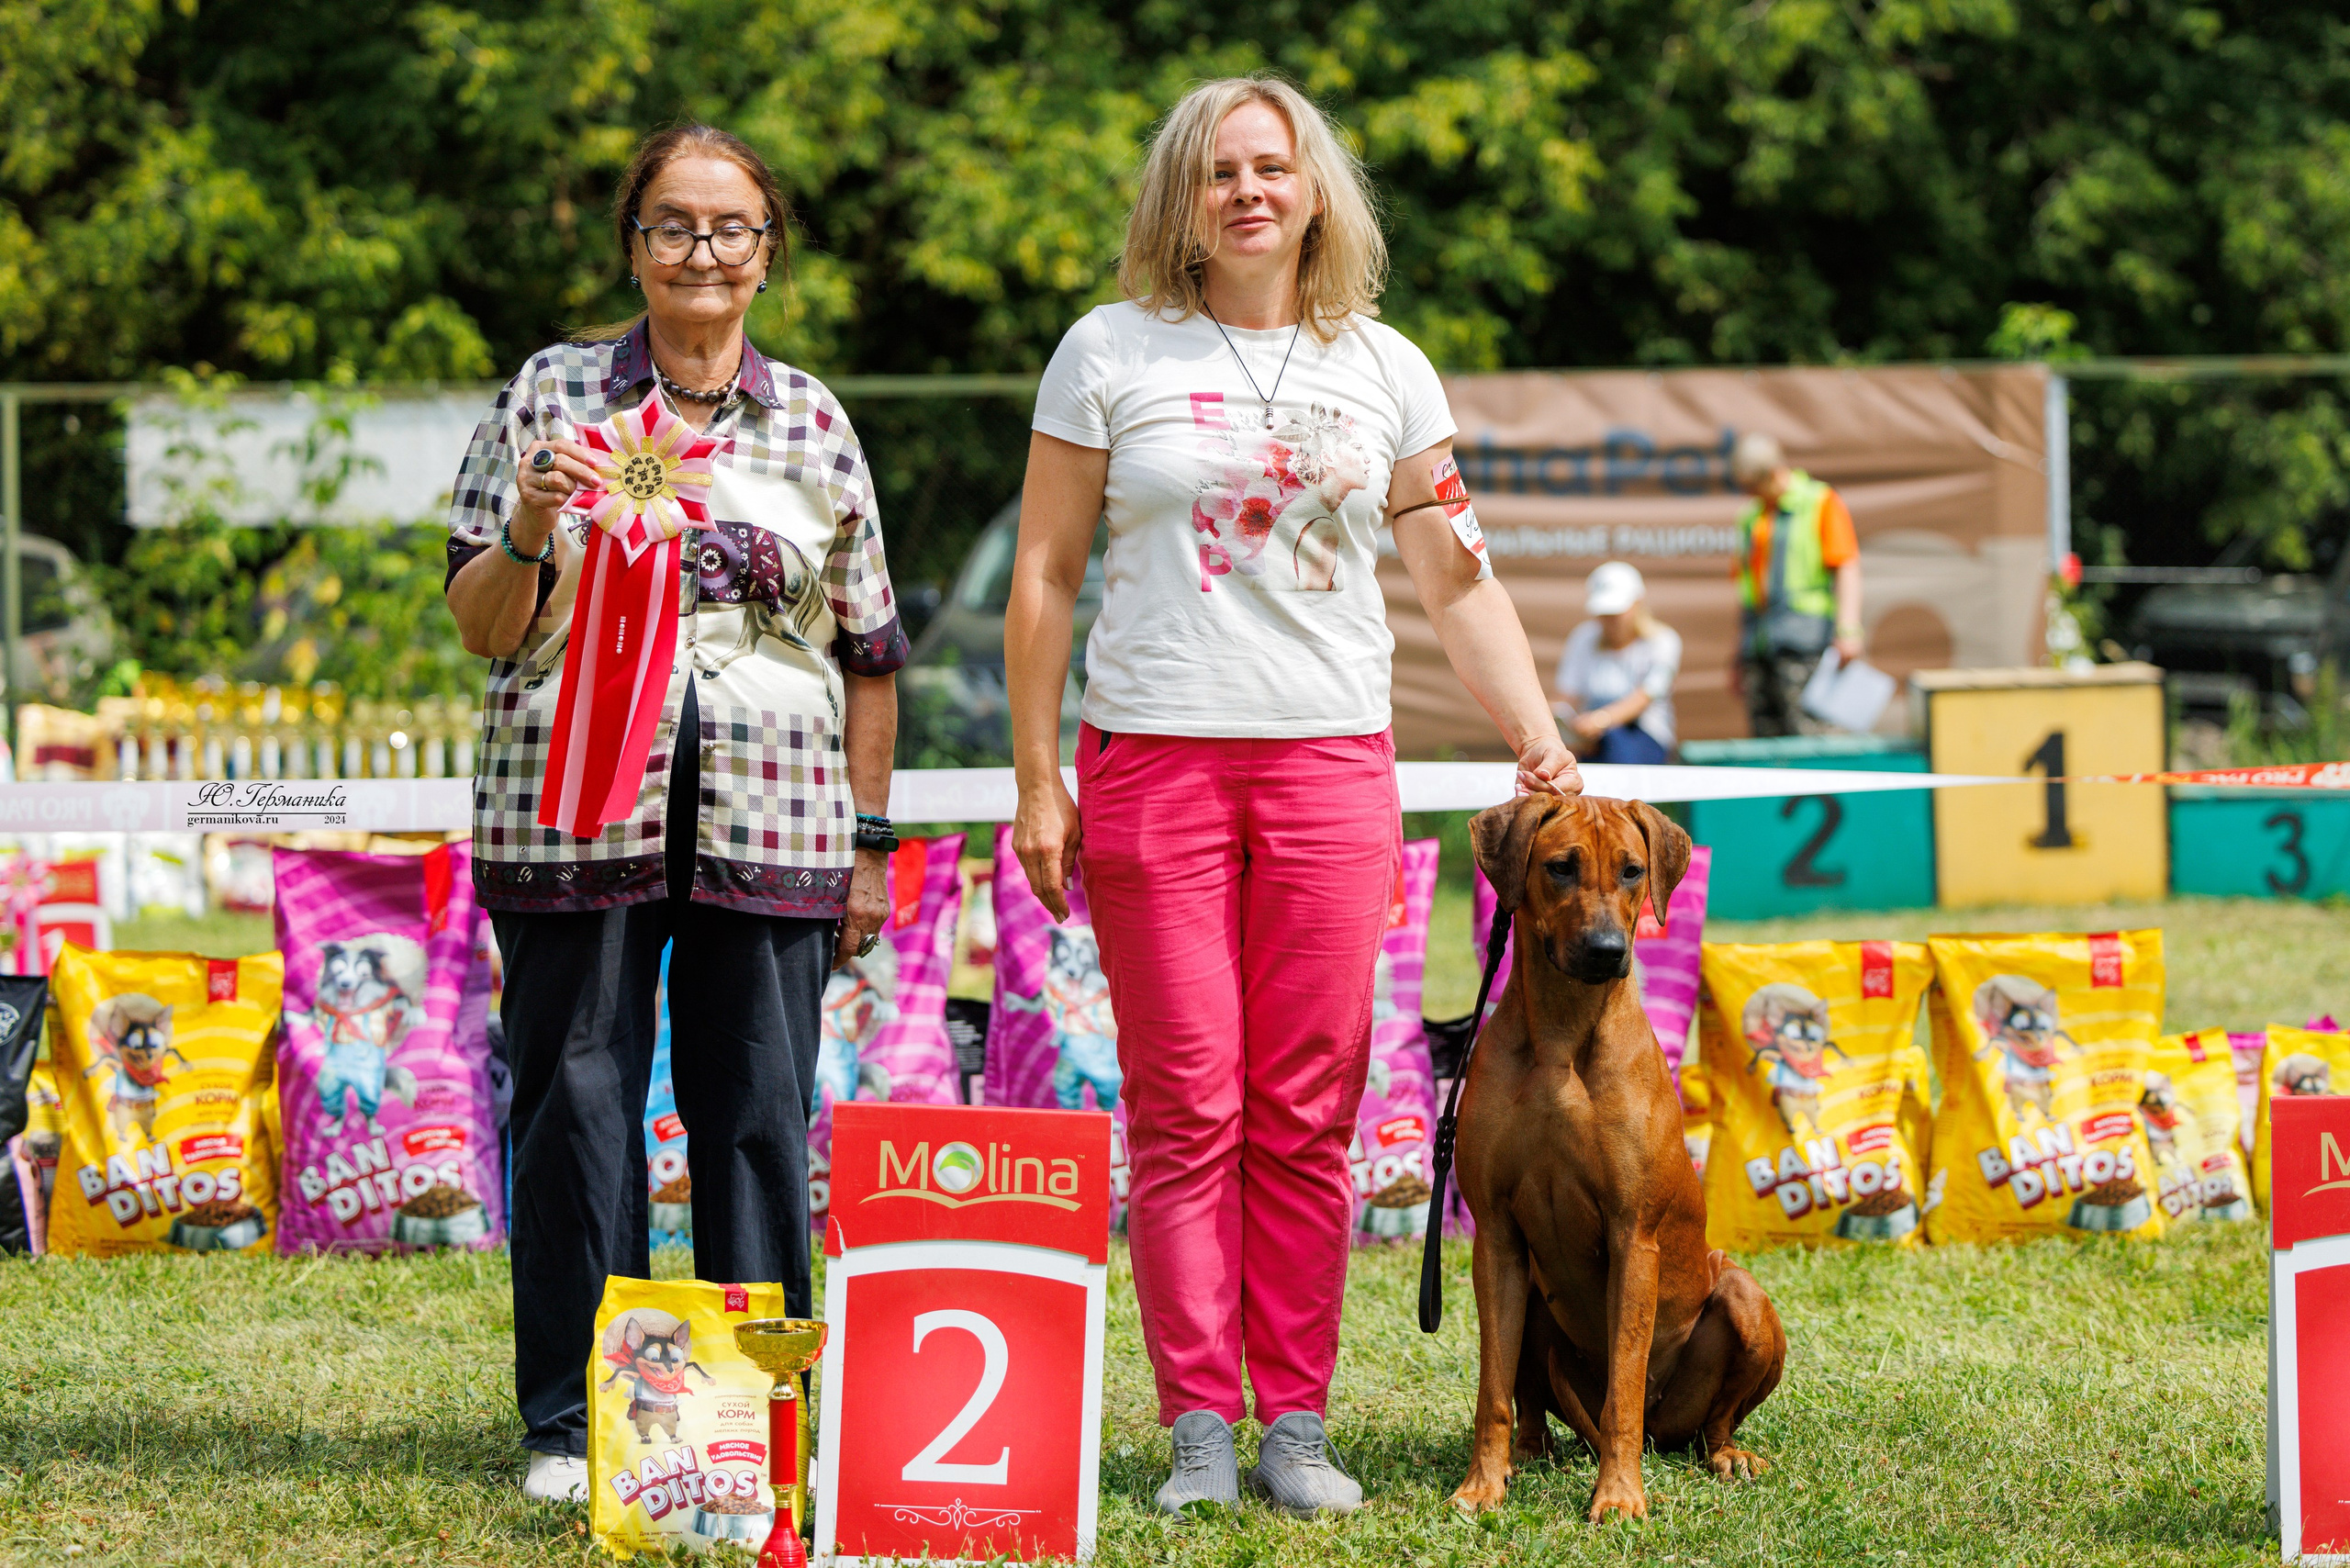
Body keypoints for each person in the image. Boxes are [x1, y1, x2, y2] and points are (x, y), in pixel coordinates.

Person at [1005, 74, 1579, 1519]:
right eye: (1218, 172)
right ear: (1180, 200)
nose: (1248, 192)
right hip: (1152, 762)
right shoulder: (1105, 351)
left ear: (1317, 191)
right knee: (1189, 1103)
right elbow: (1046, 577)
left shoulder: (1387, 366)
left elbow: (1456, 574)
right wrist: (1037, 778)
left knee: (1310, 1109)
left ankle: (1295, 1430)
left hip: (1334, 770)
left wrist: (1538, 735)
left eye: (1273, 167)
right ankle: (1202, 1428)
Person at [442, 125, 905, 1502]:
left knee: (756, 1113)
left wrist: (867, 844)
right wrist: (530, 524)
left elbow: (871, 654)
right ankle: (569, 1420)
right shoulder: (552, 392)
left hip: (773, 827)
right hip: (569, 817)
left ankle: (760, 1407)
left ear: (769, 250)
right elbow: (480, 624)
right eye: (673, 225)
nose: (702, 251)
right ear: (633, 244)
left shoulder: (814, 419)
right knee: (573, 1112)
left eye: (731, 227)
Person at [1729, 431, 1863, 736]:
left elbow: (1846, 565)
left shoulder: (1819, 501)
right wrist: (1739, 653)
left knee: (1811, 740)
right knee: (1766, 747)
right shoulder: (1750, 517)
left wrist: (1849, 629)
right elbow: (1748, 591)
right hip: (1759, 648)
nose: (1750, 494)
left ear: (1774, 472)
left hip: (1806, 645)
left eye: (1753, 486)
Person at [1553, 560, 1681, 764]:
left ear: (1637, 603)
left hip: (1644, 738)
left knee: (1614, 746)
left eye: (1616, 611)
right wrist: (1567, 729)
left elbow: (1645, 697)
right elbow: (1566, 697)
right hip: (1591, 741)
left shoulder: (1664, 640)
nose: (1610, 619)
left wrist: (1599, 721)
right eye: (1604, 612)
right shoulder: (1582, 637)